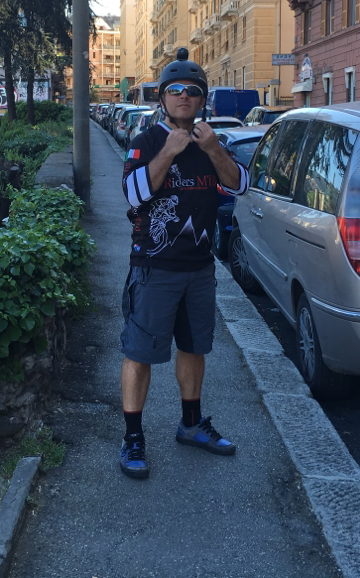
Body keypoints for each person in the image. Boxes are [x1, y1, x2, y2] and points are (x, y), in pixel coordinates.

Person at [118, 47, 249, 479]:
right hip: (154, 269)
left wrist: (211, 149)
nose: (183, 97)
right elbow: (134, 195)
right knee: (140, 354)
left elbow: (239, 185)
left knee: (194, 349)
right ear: (162, 98)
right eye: (175, 90)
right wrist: (169, 153)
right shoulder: (147, 142)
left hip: (199, 269)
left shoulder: (212, 141)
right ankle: (133, 436)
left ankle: (191, 424)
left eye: (192, 91)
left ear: (202, 98)